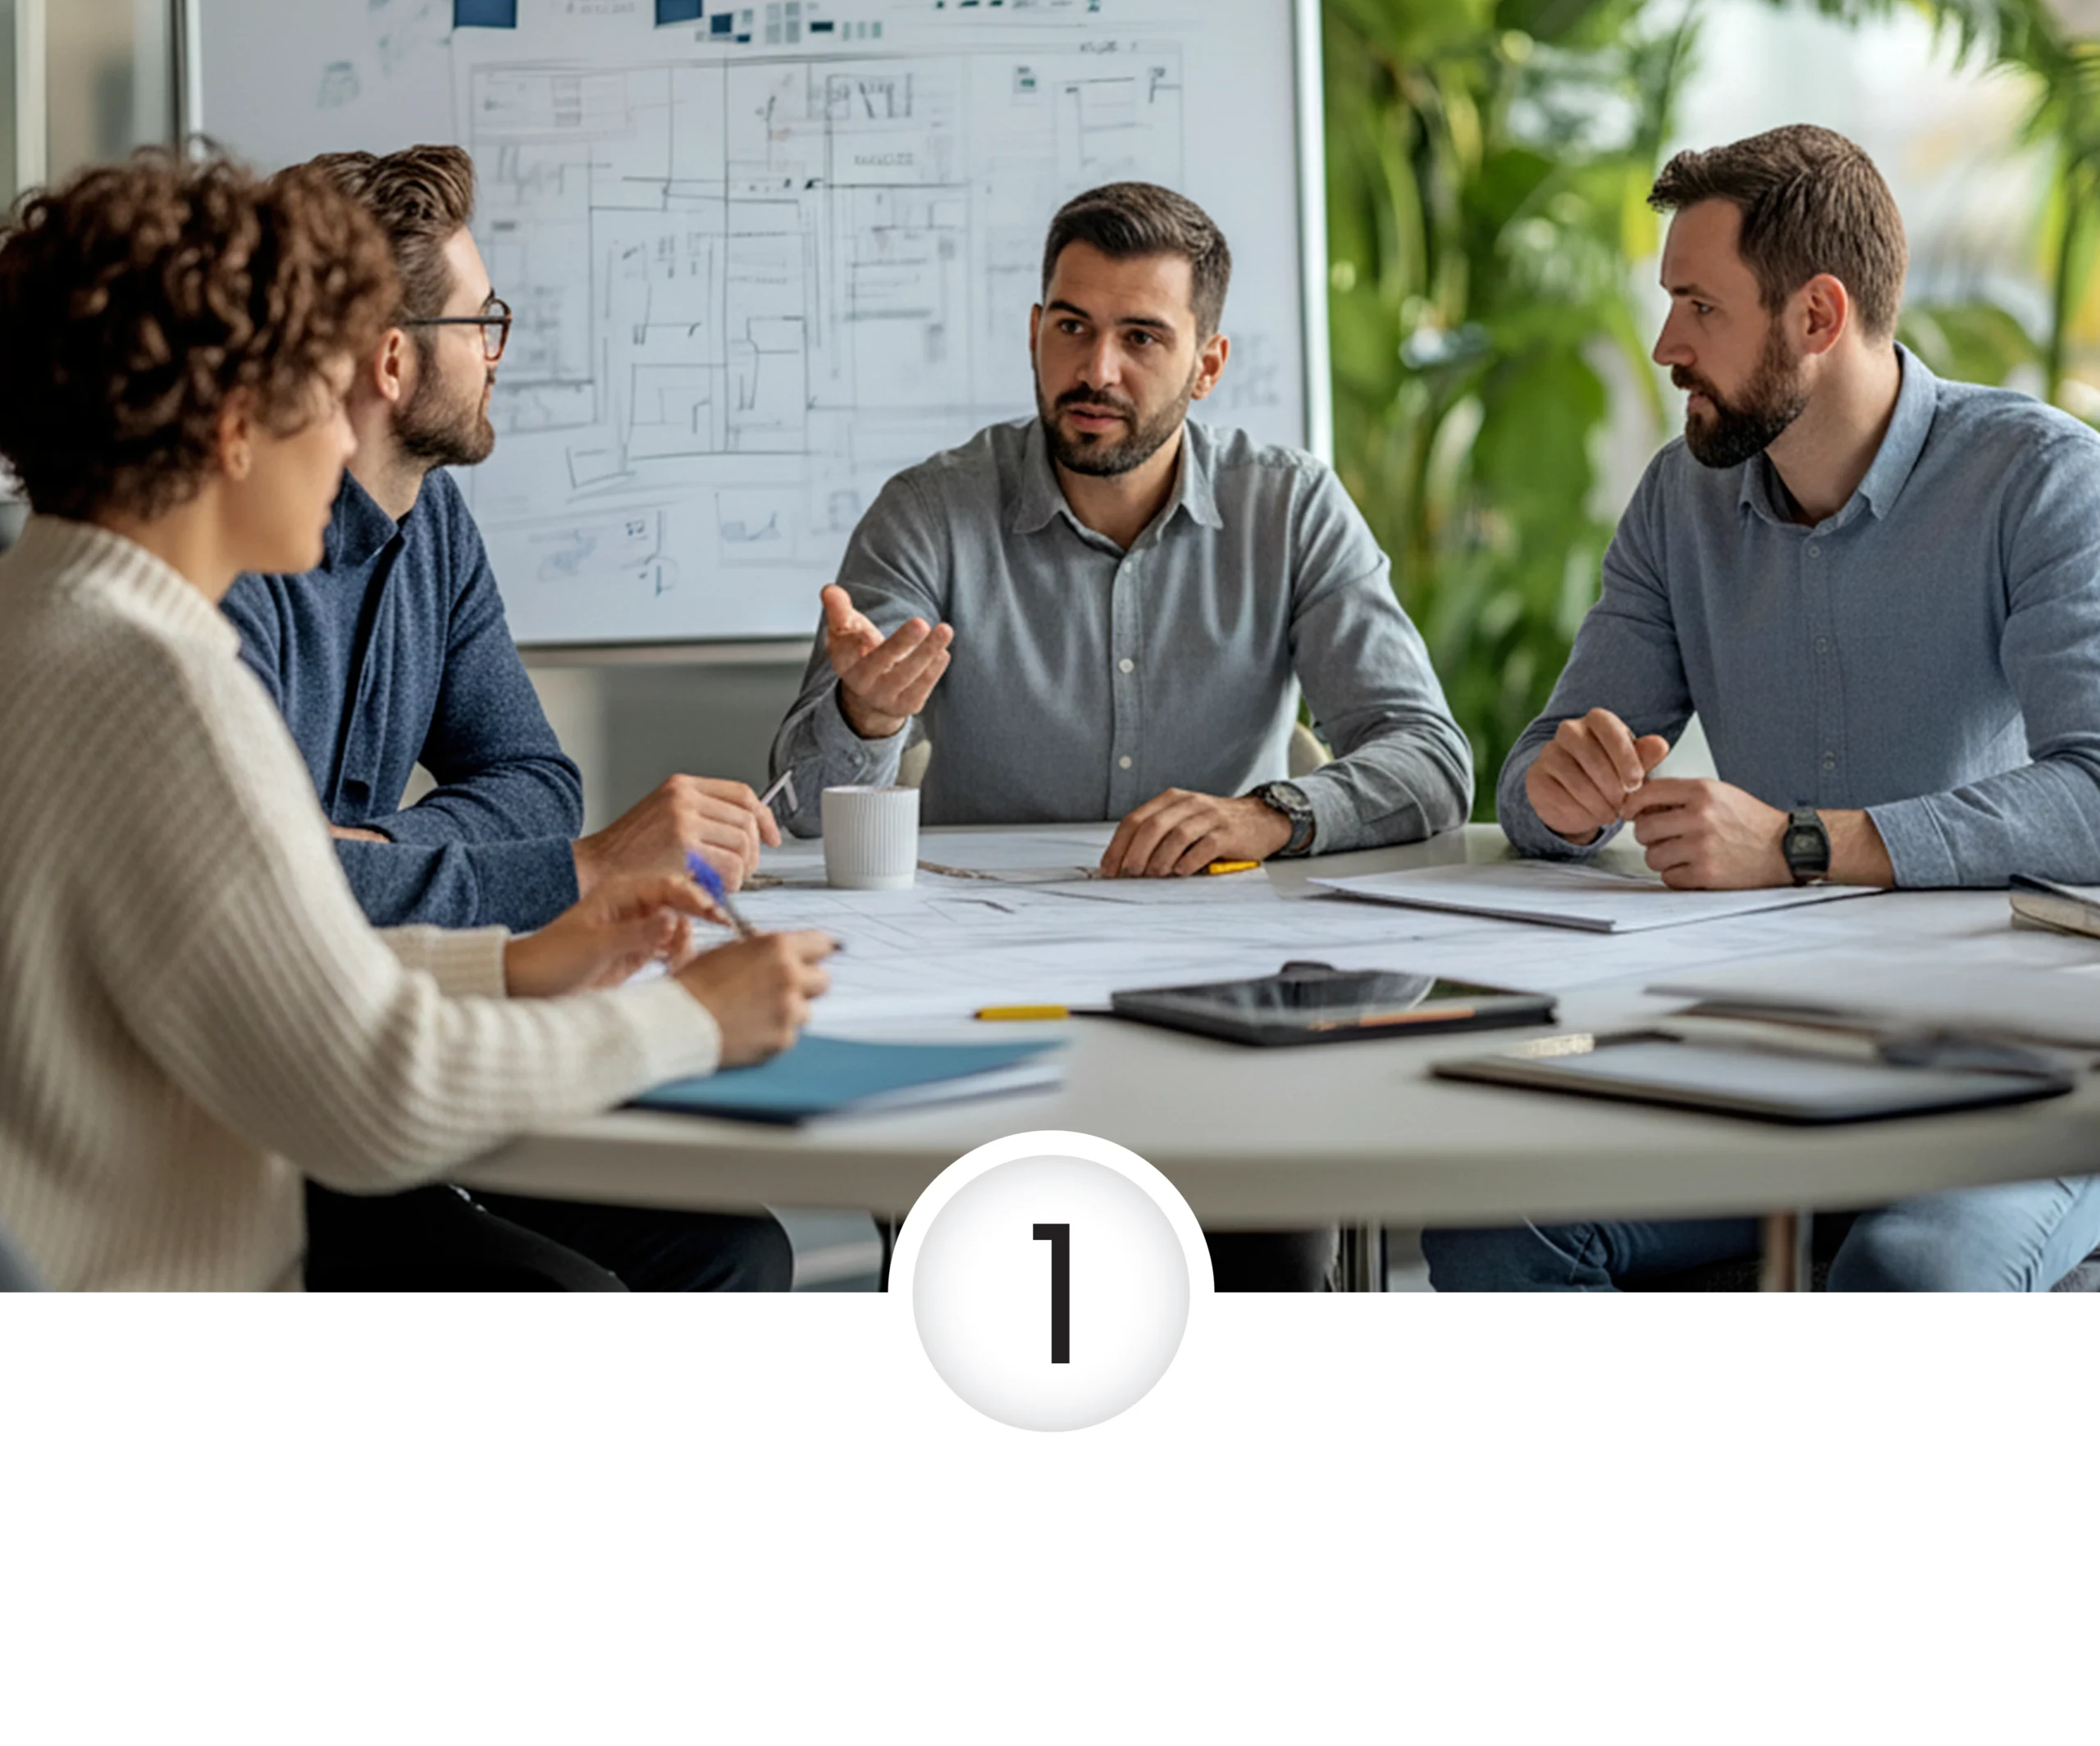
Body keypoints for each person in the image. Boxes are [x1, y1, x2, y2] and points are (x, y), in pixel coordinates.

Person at [0, 152, 833, 1295]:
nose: (346, 441)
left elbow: (264, 964)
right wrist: (693, 1021)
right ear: (235, 421)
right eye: (316, 388)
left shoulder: (51, 618)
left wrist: (517, 961)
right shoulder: (161, 688)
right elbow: (373, 1094)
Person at [1427, 122, 2100, 1294]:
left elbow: (2095, 790)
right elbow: (1542, 769)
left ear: (1817, 317)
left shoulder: (2040, 480)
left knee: (1913, 1277)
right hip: (1765, 1046)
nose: (1664, 344)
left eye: (1701, 307)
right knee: (1498, 1223)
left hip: (2009, 1065)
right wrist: (1561, 791)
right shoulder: (1681, 499)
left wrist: (1801, 844)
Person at [770, 181, 1474, 1291]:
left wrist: (1268, 816)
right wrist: (866, 716)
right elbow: (796, 817)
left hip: (1223, 1004)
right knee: (983, 1299)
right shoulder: (932, 510)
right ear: (1038, 333)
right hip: (981, 1006)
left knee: (1269, 1267)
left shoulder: (1289, 507)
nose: (1097, 369)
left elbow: (1429, 761)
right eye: (1072, 327)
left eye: (1141, 336)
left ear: (1208, 365)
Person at [220, 145, 795, 1295]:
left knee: (736, 1253)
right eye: (481, 322)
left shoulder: (435, 522)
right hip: (274, 1100)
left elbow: (533, 776)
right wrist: (573, 869)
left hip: (417, 1006)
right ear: (393, 359)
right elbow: (279, 894)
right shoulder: (239, 559)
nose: (496, 350)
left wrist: (381, 849)